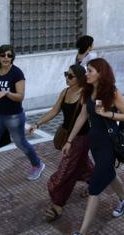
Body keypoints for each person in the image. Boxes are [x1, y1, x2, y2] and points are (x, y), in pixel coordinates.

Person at [61, 58, 124, 235]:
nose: (87, 74)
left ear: (100, 73)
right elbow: (83, 116)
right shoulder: (88, 91)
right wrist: (69, 141)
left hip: (109, 144)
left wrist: (108, 114)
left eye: (90, 70)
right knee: (108, 173)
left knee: (94, 187)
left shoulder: (112, 92)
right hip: (95, 143)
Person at [0, 44, 45, 195]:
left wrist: (5, 93)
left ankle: (37, 164)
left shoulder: (17, 73)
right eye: (3, 55)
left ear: (13, 57)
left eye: (9, 55)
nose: (6, 58)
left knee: (21, 143)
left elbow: (20, 96)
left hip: (14, 116)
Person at [28, 64, 94, 222]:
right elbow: (54, 110)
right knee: (82, 164)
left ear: (79, 78)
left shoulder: (85, 94)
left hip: (80, 138)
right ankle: (95, 181)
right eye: (66, 74)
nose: (66, 78)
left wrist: (70, 141)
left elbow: (82, 118)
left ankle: (58, 203)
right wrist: (37, 123)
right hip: (67, 136)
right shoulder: (65, 92)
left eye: (70, 76)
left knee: (65, 171)